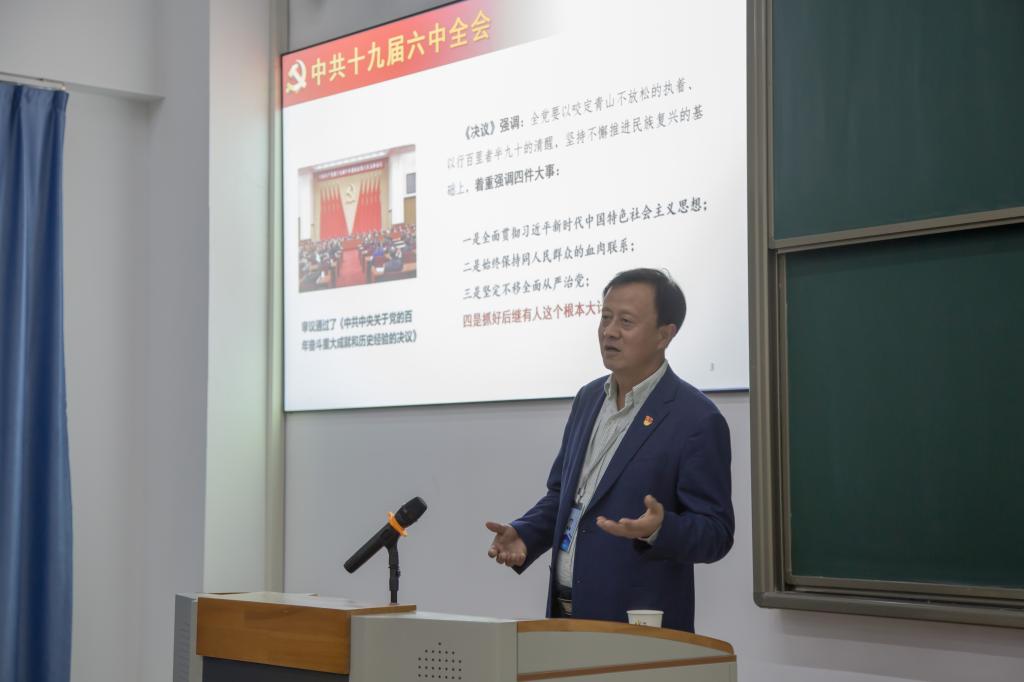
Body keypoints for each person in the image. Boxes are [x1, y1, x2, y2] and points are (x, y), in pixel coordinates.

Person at [485, 268, 734, 632]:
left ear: (665, 334)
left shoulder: (695, 418)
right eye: (605, 317)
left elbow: (716, 533)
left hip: (638, 626)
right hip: (566, 615)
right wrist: (526, 532)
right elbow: (565, 496)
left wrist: (659, 528)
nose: (609, 331)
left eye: (626, 321)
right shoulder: (588, 399)